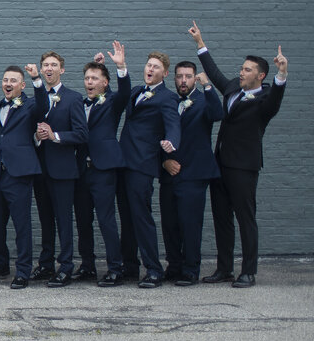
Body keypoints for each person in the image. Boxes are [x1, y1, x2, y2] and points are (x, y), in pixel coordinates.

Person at [190, 22, 288, 288]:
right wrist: (200, 43)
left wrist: (282, 75)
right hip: (220, 163)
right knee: (222, 218)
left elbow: (276, 99)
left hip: (244, 167)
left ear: (261, 75)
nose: (241, 73)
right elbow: (215, 74)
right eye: (242, 68)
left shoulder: (266, 99)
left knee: (246, 218)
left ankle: (249, 271)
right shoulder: (234, 88)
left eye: (247, 70)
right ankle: (224, 269)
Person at [116, 48, 181, 288]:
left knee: (141, 217)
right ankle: (130, 267)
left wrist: (171, 143)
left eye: (155, 67)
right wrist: (120, 68)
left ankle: (153, 269)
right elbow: (120, 94)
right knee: (127, 218)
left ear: (164, 73)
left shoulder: (168, 98)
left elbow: (173, 125)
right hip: (123, 162)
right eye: (148, 65)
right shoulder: (135, 92)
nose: (150, 69)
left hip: (142, 165)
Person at [159, 60, 222, 286]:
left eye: (187, 76)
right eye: (179, 76)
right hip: (169, 173)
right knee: (170, 223)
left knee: (190, 223)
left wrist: (208, 87)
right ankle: (174, 265)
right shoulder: (169, 101)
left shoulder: (204, 100)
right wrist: (165, 161)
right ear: (173, 78)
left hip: (194, 173)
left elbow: (217, 114)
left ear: (195, 78)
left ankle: (190, 269)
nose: (183, 80)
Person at [0, 64, 47, 289]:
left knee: (22, 225)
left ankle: (23, 271)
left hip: (19, 174)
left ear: (21, 85)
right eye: (5, 80)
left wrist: (36, 79)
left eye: (13, 81)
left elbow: (43, 106)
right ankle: (0, 264)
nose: (8, 84)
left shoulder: (30, 106)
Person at [74, 45, 131, 286]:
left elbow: (125, 91)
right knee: (83, 220)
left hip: (104, 169)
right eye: (87, 78)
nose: (89, 82)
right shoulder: (78, 103)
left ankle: (115, 268)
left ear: (105, 83)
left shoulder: (112, 103)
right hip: (80, 169)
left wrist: (120, 66)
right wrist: (94, 63)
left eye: (95, 78)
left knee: (106, 219)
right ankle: (87, 265)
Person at [31, 51, 88, 287]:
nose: (49, 69)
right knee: (45, 219)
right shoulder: (35, 98)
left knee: (64, 219)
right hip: (39, 169)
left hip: (63, 170)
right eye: (45, 65)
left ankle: (65, 267)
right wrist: (36, 136)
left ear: (62, 70)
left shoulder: (73, 98)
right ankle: (45, 264)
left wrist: (55, 136)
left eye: (54, 65)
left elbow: (82, 134)